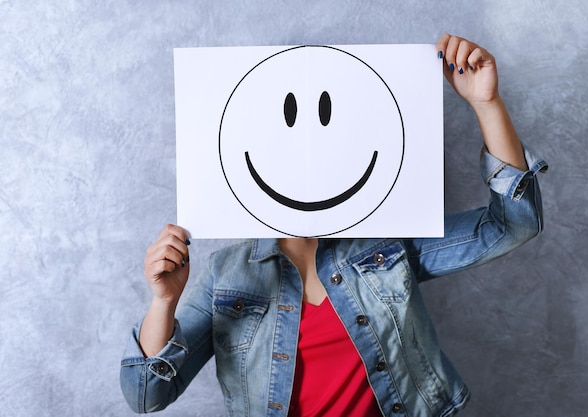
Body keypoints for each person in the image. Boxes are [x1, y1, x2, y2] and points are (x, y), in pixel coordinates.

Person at [120, 34, 548, 416]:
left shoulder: (387, 245)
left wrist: (485, 103)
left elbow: (510, 226)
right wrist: (163, 302)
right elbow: (146, 396)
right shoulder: (225, 276)